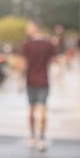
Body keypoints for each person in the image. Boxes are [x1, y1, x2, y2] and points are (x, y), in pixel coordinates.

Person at [19, 21, 59, 150]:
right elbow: (56, 61)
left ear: (34, 28)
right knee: (43, 110)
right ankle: (41, 137)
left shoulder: (27, 45)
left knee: (31, 110)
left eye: (28, 27)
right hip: (44, 81)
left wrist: (19, 81)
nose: (27, 30)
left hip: (30, 81)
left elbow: (22, 65)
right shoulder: (48, 44)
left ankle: (32, 135)